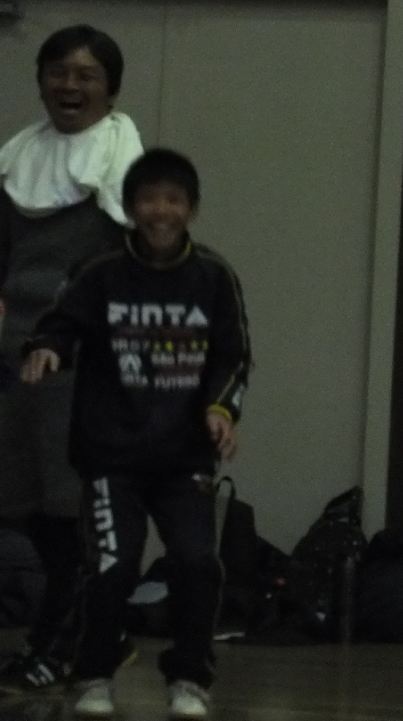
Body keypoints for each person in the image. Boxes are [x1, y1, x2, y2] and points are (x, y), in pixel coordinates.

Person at [20, 147, 251, 719]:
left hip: (185, 457)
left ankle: (190, 676)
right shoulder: (100, 271)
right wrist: (48, 348)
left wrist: (222, 411)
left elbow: (234, 356)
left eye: (173, 200)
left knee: (197, 563)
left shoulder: (214, 276)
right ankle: (92, 673)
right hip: (110, 457)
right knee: (111, 566)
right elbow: (60, 322)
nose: (161, 211)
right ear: (129, 208)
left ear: (192, 208)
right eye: (148, 199)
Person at [0, 24, 143, 693]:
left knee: (72, 510)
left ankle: (66, 643)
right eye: (58, 71)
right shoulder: (16, 159)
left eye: (86, 74)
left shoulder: (126, 170)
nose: (69, 84)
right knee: (22, 503)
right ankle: (90, 633)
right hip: (13, 362)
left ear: (110, 90)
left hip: (82, 366)